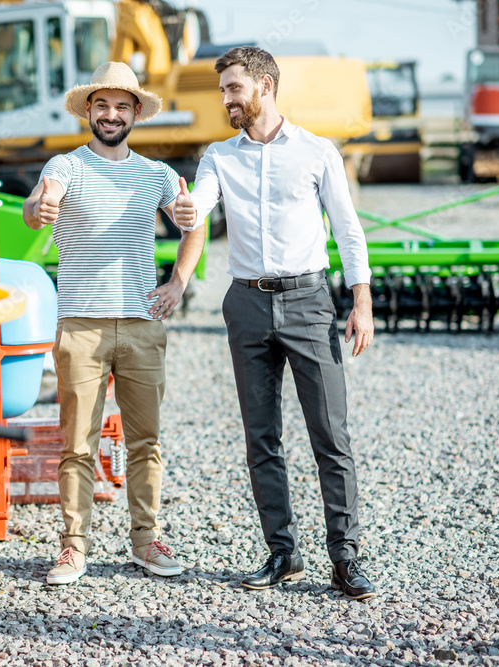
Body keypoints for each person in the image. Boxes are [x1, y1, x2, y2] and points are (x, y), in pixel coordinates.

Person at [173, 46, 377, 600]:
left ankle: (345, 558)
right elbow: (201, 210)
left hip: (310, 303)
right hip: (246, 305)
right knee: (261, 438)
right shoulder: (218, 156)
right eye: (223, 91)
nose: (226, 100)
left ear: (264, 85)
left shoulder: (316, 152)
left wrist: (362, 302)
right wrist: (184, 222)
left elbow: (348, 231)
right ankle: (282, 554)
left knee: (330, 436)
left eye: (233, 88)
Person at [22, 61, 205, 585]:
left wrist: (178, 282)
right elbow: (41, 201)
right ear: (88, 110)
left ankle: (146, 542)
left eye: (122, 106)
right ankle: (73, 548)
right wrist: (42, 205)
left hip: (142, 324)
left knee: (145, 441)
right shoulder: (67, 166)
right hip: (81, 324)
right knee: (77, 443)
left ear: (135, 115)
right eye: (102, 104)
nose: (111, 114)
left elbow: (193, 221)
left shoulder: (155, 175)